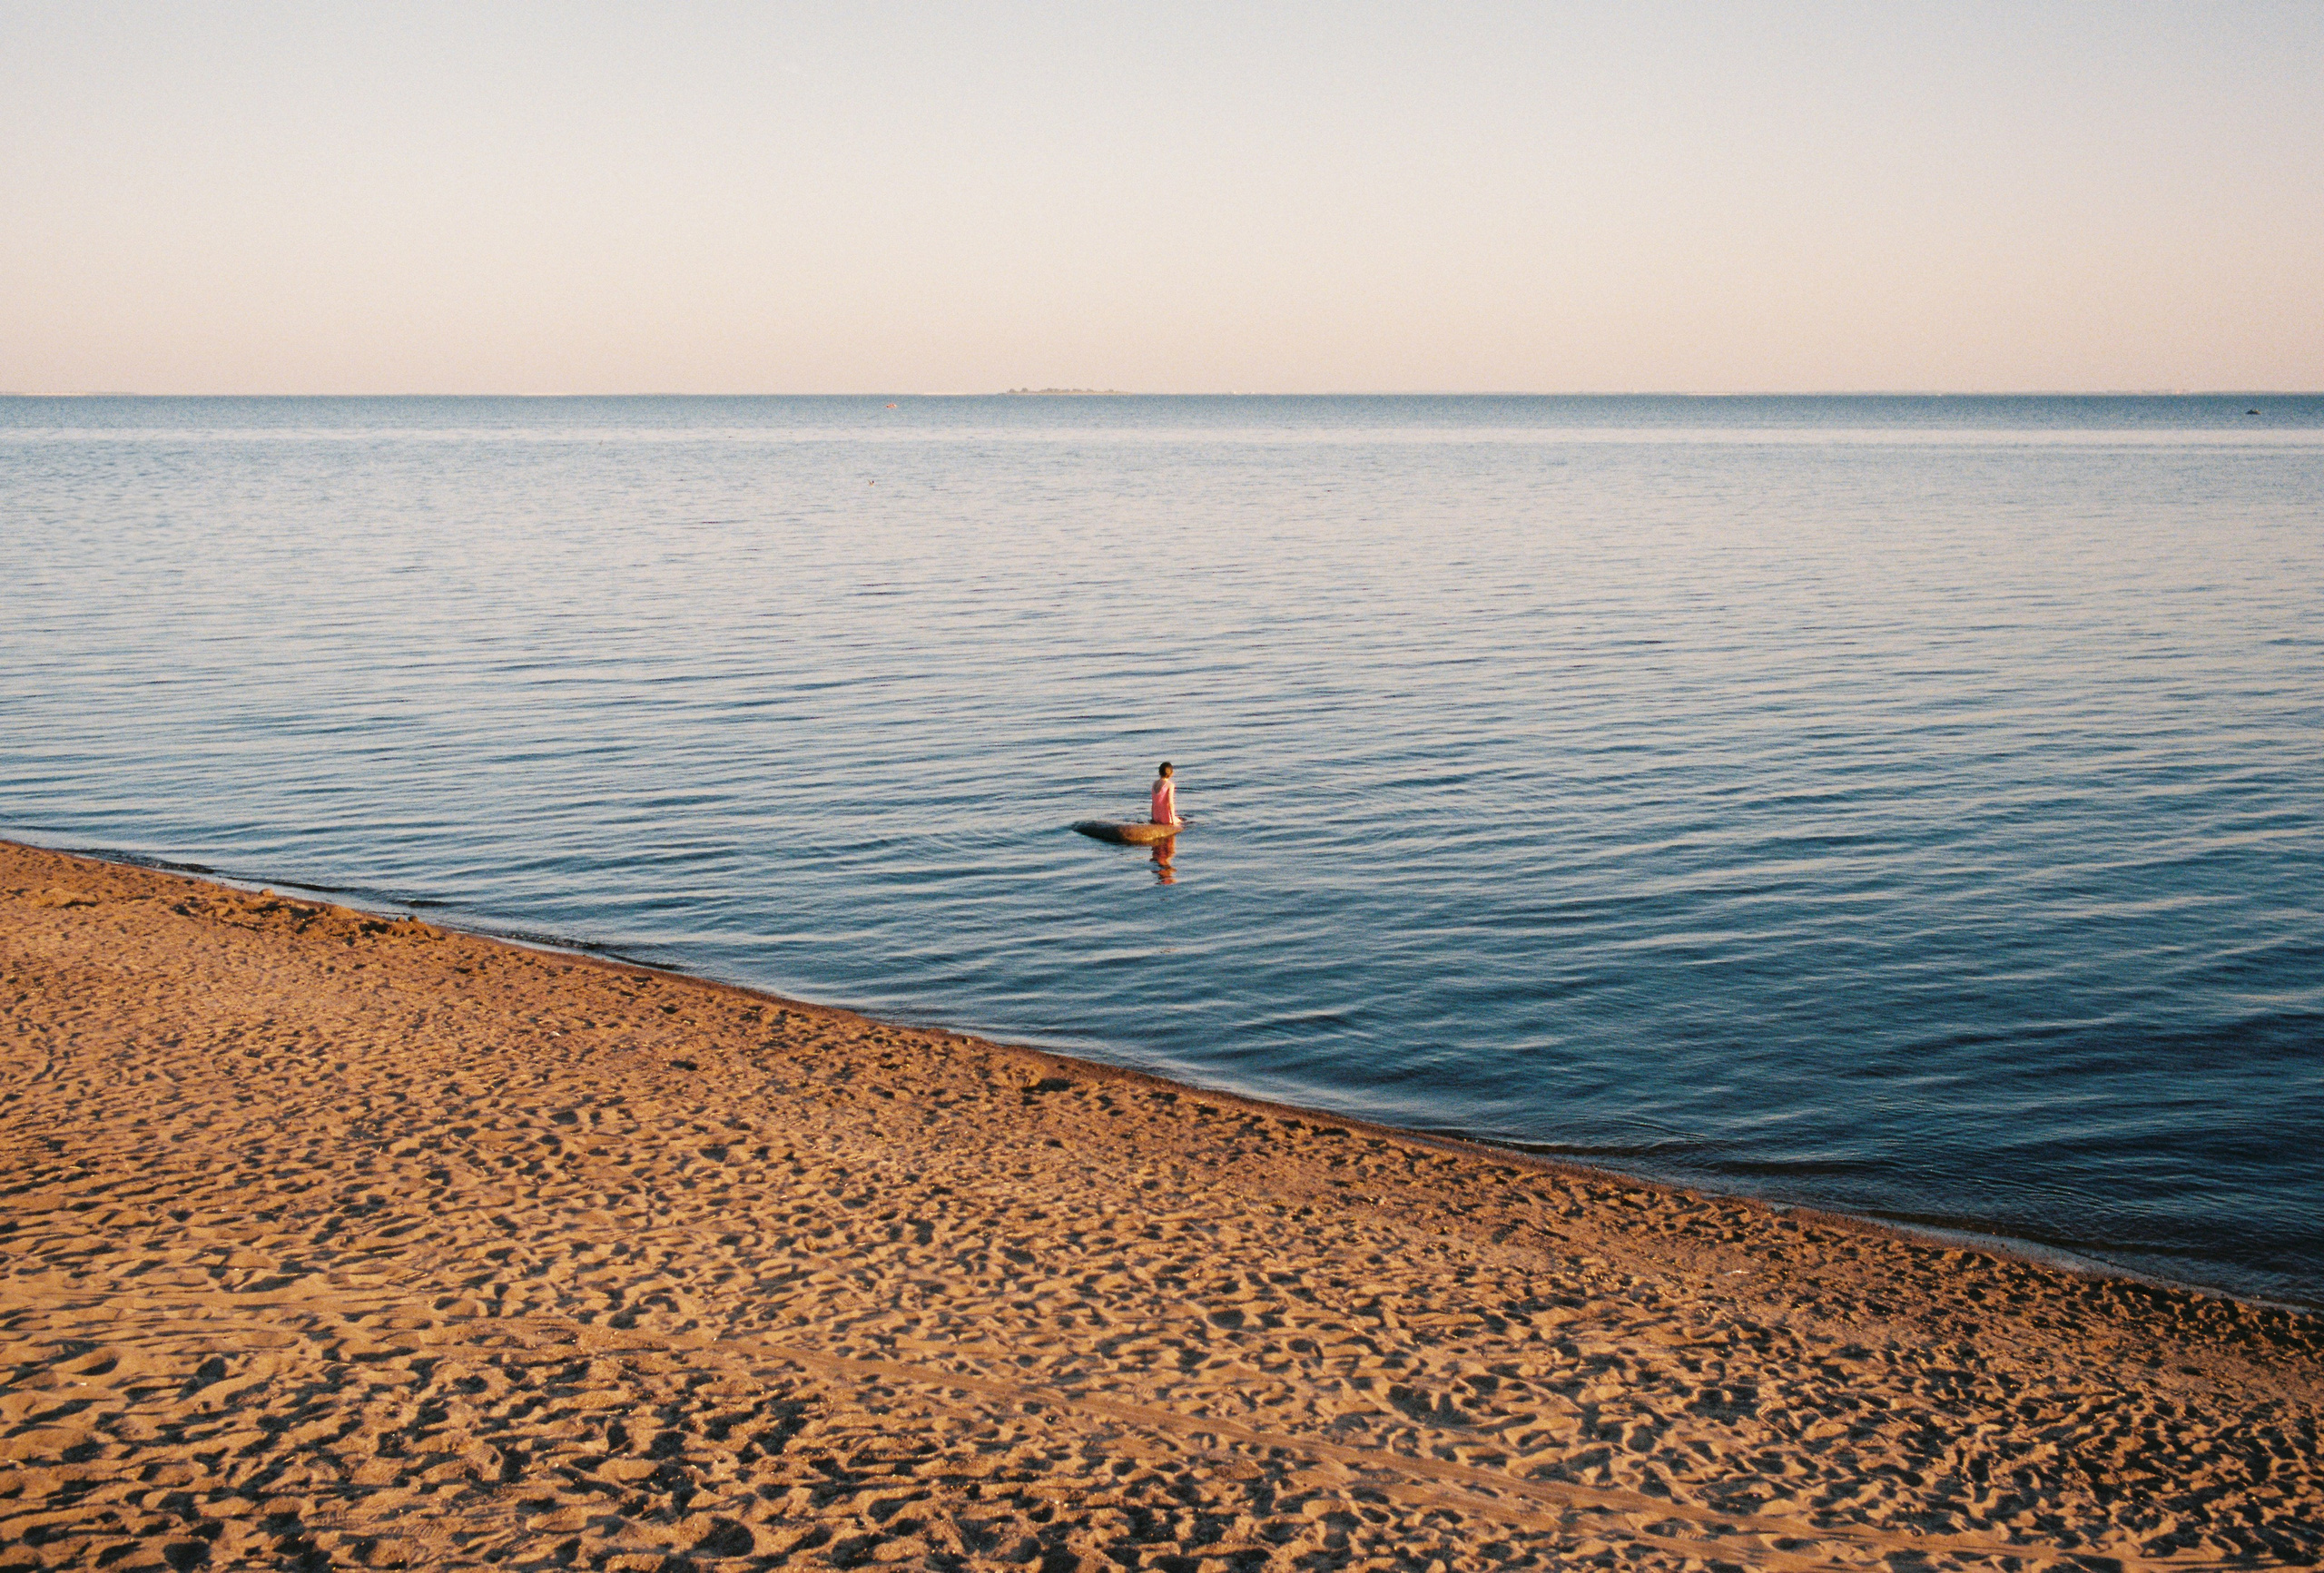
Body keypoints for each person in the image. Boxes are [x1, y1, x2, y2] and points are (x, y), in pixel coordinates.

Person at [1150, 762, 1182, 828]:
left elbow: (1153, 803)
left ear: (1159, 772)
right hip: (1166, 818)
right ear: (1171, 773)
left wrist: (1153, 818)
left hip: (1156, 816)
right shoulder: (1170, 785)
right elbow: (1170, 803)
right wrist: (1173, 821)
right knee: (1182, 822)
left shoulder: (1154, 784)